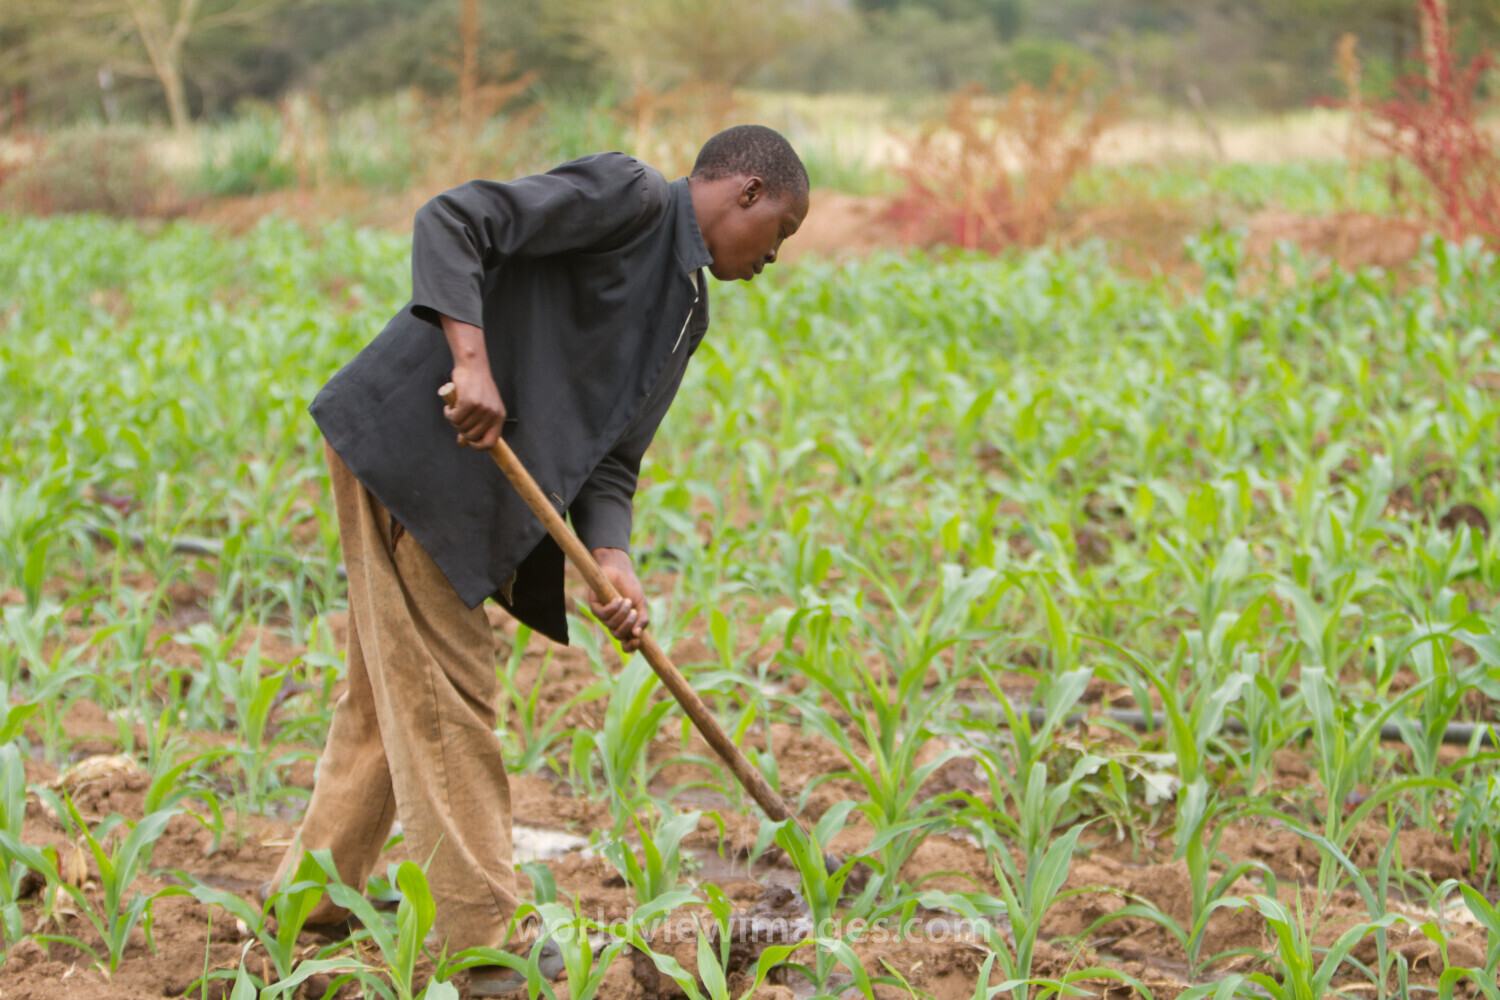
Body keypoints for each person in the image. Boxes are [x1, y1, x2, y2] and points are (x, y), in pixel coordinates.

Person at [270, 125, 810, 995]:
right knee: (450, 694)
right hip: (419, 452)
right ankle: (486, 945)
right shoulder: (629, 198)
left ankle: (311, 905)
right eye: (779, 233)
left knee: (389, 697)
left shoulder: (684, 314)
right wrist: (471, 363)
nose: (773, 258)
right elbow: (454, 221)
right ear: (745, 192)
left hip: (475, 490)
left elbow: (613, 458)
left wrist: (614, 557)